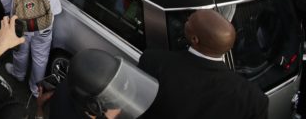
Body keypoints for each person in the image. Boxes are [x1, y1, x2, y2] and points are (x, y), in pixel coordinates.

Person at [138, 9, 268, 119]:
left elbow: (135, 106)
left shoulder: (153, 62)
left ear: (195, 39)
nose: (186, 20)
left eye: (189, 21)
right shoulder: (254, 100)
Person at [44, 49, 158, 119]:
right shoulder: (64, 113)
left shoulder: (70, 85)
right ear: (94, 107)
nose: (122, 110)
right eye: (117, 106)